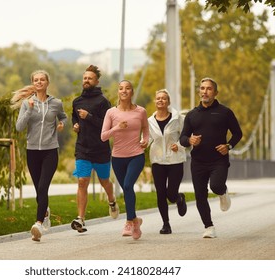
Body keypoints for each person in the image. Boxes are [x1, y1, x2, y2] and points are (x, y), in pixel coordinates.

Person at [179, 77, 242, 238]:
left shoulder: (225, 112)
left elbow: (237, 133)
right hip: (198, 161)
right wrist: (189, 140)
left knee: (216, 185)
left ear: (215, 92)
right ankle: (209, 227)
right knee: (200, 195)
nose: (204, 92)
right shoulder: (192, 115)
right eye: (202, 88)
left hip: (218, 160)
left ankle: (222, 192)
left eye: (208, 89)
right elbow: (183, 137)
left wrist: (228, 146)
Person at [13, 70, 67, 242]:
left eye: (42, 79)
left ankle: (38, 224)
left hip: (50, 150)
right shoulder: (26, 103)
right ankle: (45, 212)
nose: (39, 82)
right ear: (33, 83)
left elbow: (64, 117)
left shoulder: (56, 103)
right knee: (39, 190)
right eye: (36, 80)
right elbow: (19, 127)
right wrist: (29, 109)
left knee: (43, 187)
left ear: (47, 82)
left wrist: (61, 123)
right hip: (32, 151)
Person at [71, 65, 119, 233]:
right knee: (82, 181)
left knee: (104, 181)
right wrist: (76, 125)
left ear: (97, 81)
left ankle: (112, 200)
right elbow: (74, 119)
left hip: (100, 149)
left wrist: (88, 117)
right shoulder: (76, 102)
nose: (86, 80)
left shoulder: (103, 102)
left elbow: (107, 126)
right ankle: (81, 219)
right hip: (82, 148)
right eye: (84, 78)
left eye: (90, 78)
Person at [101, 80, 149, 240]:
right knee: (127, 190)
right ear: (118, 92)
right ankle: (136, 221)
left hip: (136, 155)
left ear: (132, 92)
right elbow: (103, 136)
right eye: (121, 88)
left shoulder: (141, 111)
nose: (124, 91)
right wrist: (116, 128)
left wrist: (145, 140)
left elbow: (145, 129)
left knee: (128, 185)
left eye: (127, 88)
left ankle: (129, 221)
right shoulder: (111, 113)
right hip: (118, 158)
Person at [147, 89, 187, 235]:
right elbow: (148, 138)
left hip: (175, 160)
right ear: (155, 101)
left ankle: (178, 198)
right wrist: (142, 143)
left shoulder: (178, 118)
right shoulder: (150, 121)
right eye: (158, 98)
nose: (160, 100)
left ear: (168, 102)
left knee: (171, 194)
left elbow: (186, 136)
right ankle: (166, 224)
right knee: (160, 193)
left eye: (163, 98)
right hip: (157, 160)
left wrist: (180, 145)